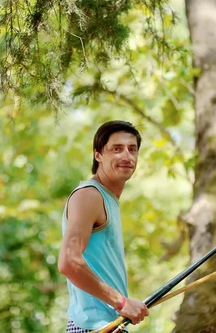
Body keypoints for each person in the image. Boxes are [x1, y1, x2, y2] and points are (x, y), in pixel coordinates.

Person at [58, 120, 149, 332]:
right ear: (98, 154)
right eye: (117, 149)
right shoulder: (89, 195)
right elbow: (68, 263)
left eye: (132, 149)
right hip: (92, 327)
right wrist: (122, 303)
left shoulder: (107, 199)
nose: (126, 156)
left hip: (110, 325)